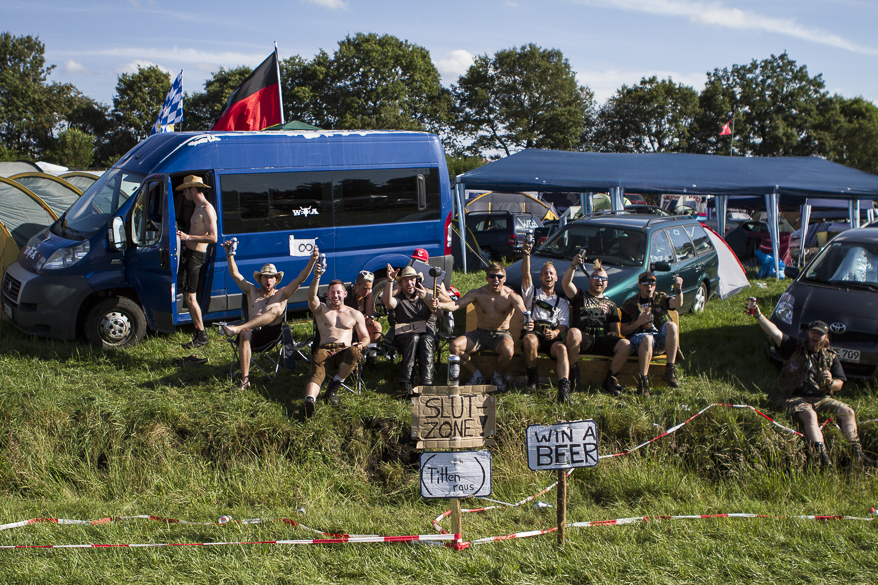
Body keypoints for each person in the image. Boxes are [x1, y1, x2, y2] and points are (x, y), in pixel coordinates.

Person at [752, 307, 876, 468]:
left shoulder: (830, 356)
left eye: (820, 334)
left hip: (821, 398)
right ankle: (822, 458)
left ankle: (858, 457)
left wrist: (830, 382)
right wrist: (758, 315)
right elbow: (775, 332)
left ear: (826, 337)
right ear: (808, 333)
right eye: (813, 332)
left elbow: (839, 384)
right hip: (792, 397)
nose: (815, 336)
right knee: (810, 415)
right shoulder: (794, 347)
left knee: (848, 412)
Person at [219, 242, 319, 390]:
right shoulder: (252, 291)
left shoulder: (282, 294)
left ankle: (237, 328)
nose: (268, 280)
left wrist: (312, 260)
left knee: (276, 309)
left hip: (271, 335)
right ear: (260, 279)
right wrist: (229, 254)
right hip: (252, 336)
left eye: (271, 277)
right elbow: (235, 275)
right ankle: (245, 380)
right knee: (245, 333)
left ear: (276, 280)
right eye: (265, 277)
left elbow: (300, 279)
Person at [439, 262, 527, 391]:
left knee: (508, 351)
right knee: (454, 347)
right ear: (487, 278)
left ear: (505, 278)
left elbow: (523, 314)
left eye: (499, 276)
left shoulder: (511, 296)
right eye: (492, 276)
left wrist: (528, 321)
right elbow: (456, 305)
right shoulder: (478, 294)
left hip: (501, 335)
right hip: (479, 334)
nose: (496, 279)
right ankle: (477, 375)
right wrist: (438, 305)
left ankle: (497, 377)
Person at [303, 263, 370, 418]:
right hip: (324, 350)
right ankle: (310, 400)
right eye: (332, 292)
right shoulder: (321, 310)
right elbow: (311, 297)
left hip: (344, 351)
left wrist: (361, 344)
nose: (335, 295)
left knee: (355, 353)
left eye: (338, 292)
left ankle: (334, 386)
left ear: (345, 294)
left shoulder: (355, 314)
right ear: (328, 294)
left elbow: (366, 337)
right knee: (316, 369)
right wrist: (317, 277)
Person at [562, 255, 632, 397]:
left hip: (602, 339)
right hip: (583, 339)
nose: (599, 280)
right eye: (595, 277)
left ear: (606, 283)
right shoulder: (580, 296)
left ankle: (610, 380)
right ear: (590, 280)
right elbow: (566, 284)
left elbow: (615, 330)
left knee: (625, 344)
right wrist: (573, 266)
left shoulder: (611, 304)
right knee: (573, 332)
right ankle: (573, 374)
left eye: (603, 278)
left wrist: (614, 334)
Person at [520, 242, 572, 403]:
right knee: (529, 340)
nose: (548, 276)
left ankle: (564, 390)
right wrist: (526, 255)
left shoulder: (562, 302)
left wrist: (555, 332)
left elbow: (563, 325)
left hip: (551, 337)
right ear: (540, 277)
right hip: (534, 333)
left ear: (556, 278)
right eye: (545, 273)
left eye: (551, 273)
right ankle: (532, 378)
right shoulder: (532, 293)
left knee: (562, 349)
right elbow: (526, 275)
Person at [619, 272, 683, 394]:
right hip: (638, 341)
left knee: (672, 326)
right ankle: (643, 382)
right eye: (645, 284)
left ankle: (670, 370)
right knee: (647, 338)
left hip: (658, 339)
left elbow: (677, 303)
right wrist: (638, 322)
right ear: (639, 285)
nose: (649, 286)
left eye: (652, 283)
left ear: (655, 285)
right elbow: (624, 330)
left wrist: (678, 289)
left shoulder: (660, 298)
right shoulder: (630, 303)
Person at [384, 265, 440, 395]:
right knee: (413, 337)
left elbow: (440, 314)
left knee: (425, 339)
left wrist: (427, 299)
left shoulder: (427, 297)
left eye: (412, 279)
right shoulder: (399, 300)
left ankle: (426, 383)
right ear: (401, 284)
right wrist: (390, 281)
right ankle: (406, 383)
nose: (409, 283)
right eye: (405, 280)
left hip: (427, 336)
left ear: (417, 281)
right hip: (406, 339)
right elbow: (388, 302)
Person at [176, 175, 217, 349]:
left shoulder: (207, 209)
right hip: (190, 254)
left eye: (185, 190)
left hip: (196, 256)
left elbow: (213, 237)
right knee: (188, 295)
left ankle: (202, 335)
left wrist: (188, 237)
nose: (184, 193)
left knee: (191, 297)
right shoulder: (197, 207)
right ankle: (198, 332)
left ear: (193, 189)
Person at [346, 270, 382, 343]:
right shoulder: (348, 295)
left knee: (376, 326)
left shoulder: (367, 295)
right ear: (356, 285)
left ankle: (371, 348)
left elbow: (369, 315)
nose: (366, 291)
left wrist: (370, 296)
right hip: (348, 323)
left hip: (360, 323)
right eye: (364, 288)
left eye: (369, 289)